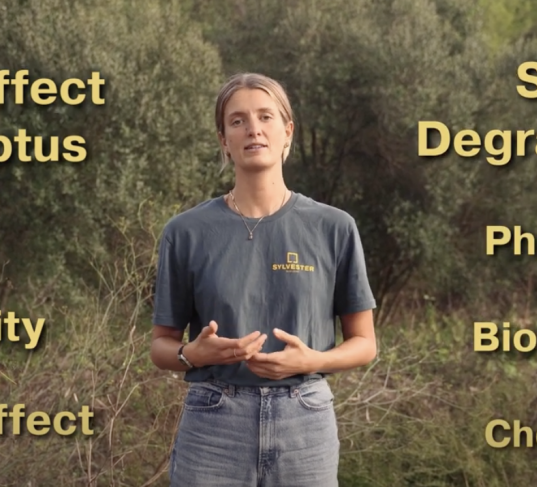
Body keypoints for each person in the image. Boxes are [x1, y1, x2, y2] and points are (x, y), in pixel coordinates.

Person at [150, 72, 378, 487]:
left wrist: (314, 360)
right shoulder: (185, 232)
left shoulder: (335, 227)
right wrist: (194, 354)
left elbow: (364, 343)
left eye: (265, 116)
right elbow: (160, 347)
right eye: (237, 121)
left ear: (287, 131)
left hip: (305, 420)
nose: (253, 128)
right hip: (213, 422)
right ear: (224, 139)